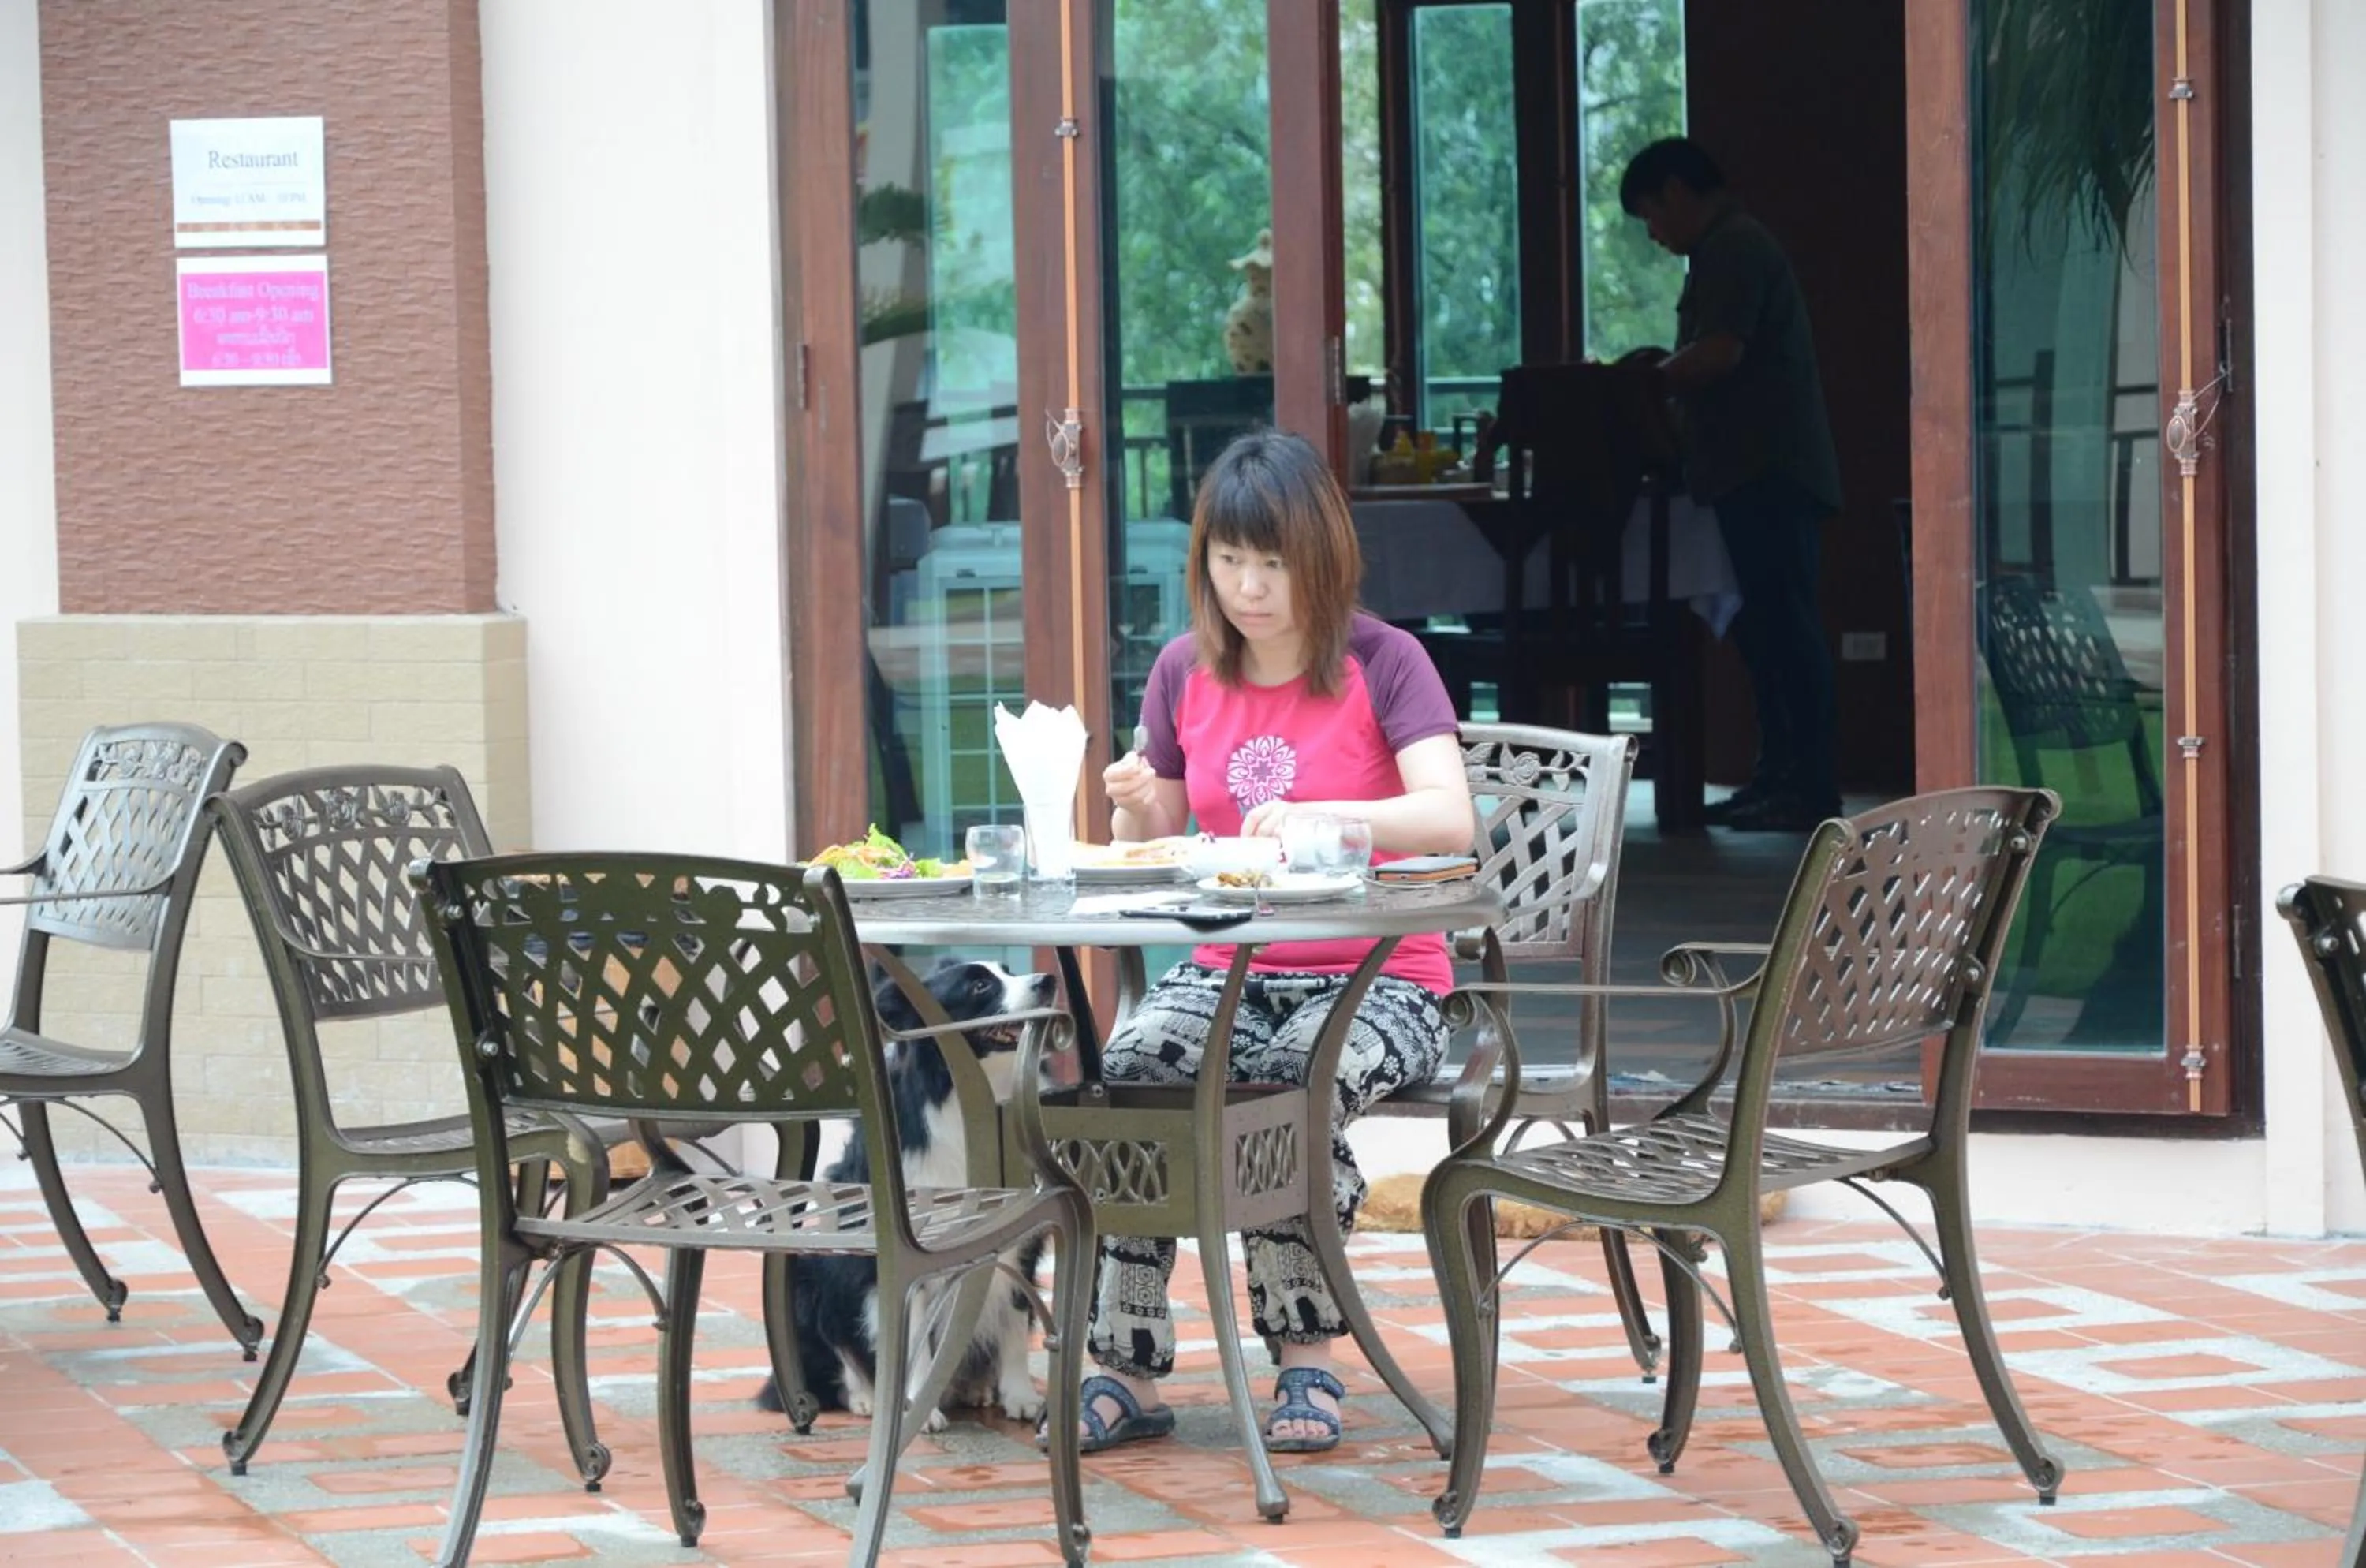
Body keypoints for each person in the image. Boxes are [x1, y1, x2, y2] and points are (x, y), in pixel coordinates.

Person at [1082, 428, 1473, 1455]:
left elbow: (1449, 817)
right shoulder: (1181, 672)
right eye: (1229, 560)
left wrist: (1327, 818)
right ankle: (1127, 1364)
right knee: (1126, 1073)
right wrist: (1131, 806)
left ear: (1320, 559)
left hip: (1383, 979)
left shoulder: (1386, 662)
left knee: (1287, 1084)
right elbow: (1162, 840)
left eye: (1272, 563)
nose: (1250, 588)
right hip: (1227, 966)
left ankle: (1308, 1360)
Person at [1621, 136, 1844, 831]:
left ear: (1679, 193)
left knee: (1786, 635)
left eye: (1652, 216)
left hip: (1768, 473)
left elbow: (1719, 353)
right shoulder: (1729, 249)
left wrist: (1639, 385)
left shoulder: (1734, 250)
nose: (1655, 234)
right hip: (1751, 475)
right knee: (1767, 636)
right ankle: (1778, 778)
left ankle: (1807, 789)